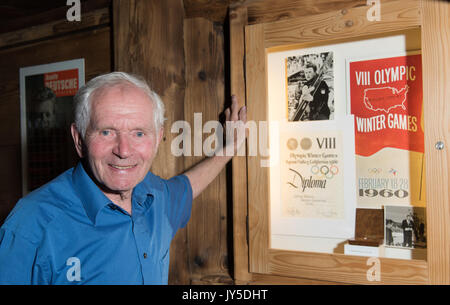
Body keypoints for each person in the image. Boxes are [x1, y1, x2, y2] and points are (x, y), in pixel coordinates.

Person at [0, 72, 247, 284]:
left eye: (139, 133)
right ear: (79, 139)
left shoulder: (156, 195)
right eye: (107, 132)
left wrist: (229, 149)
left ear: (158, 137)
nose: (124, 150)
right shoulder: (31, 224)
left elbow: (188, 186)